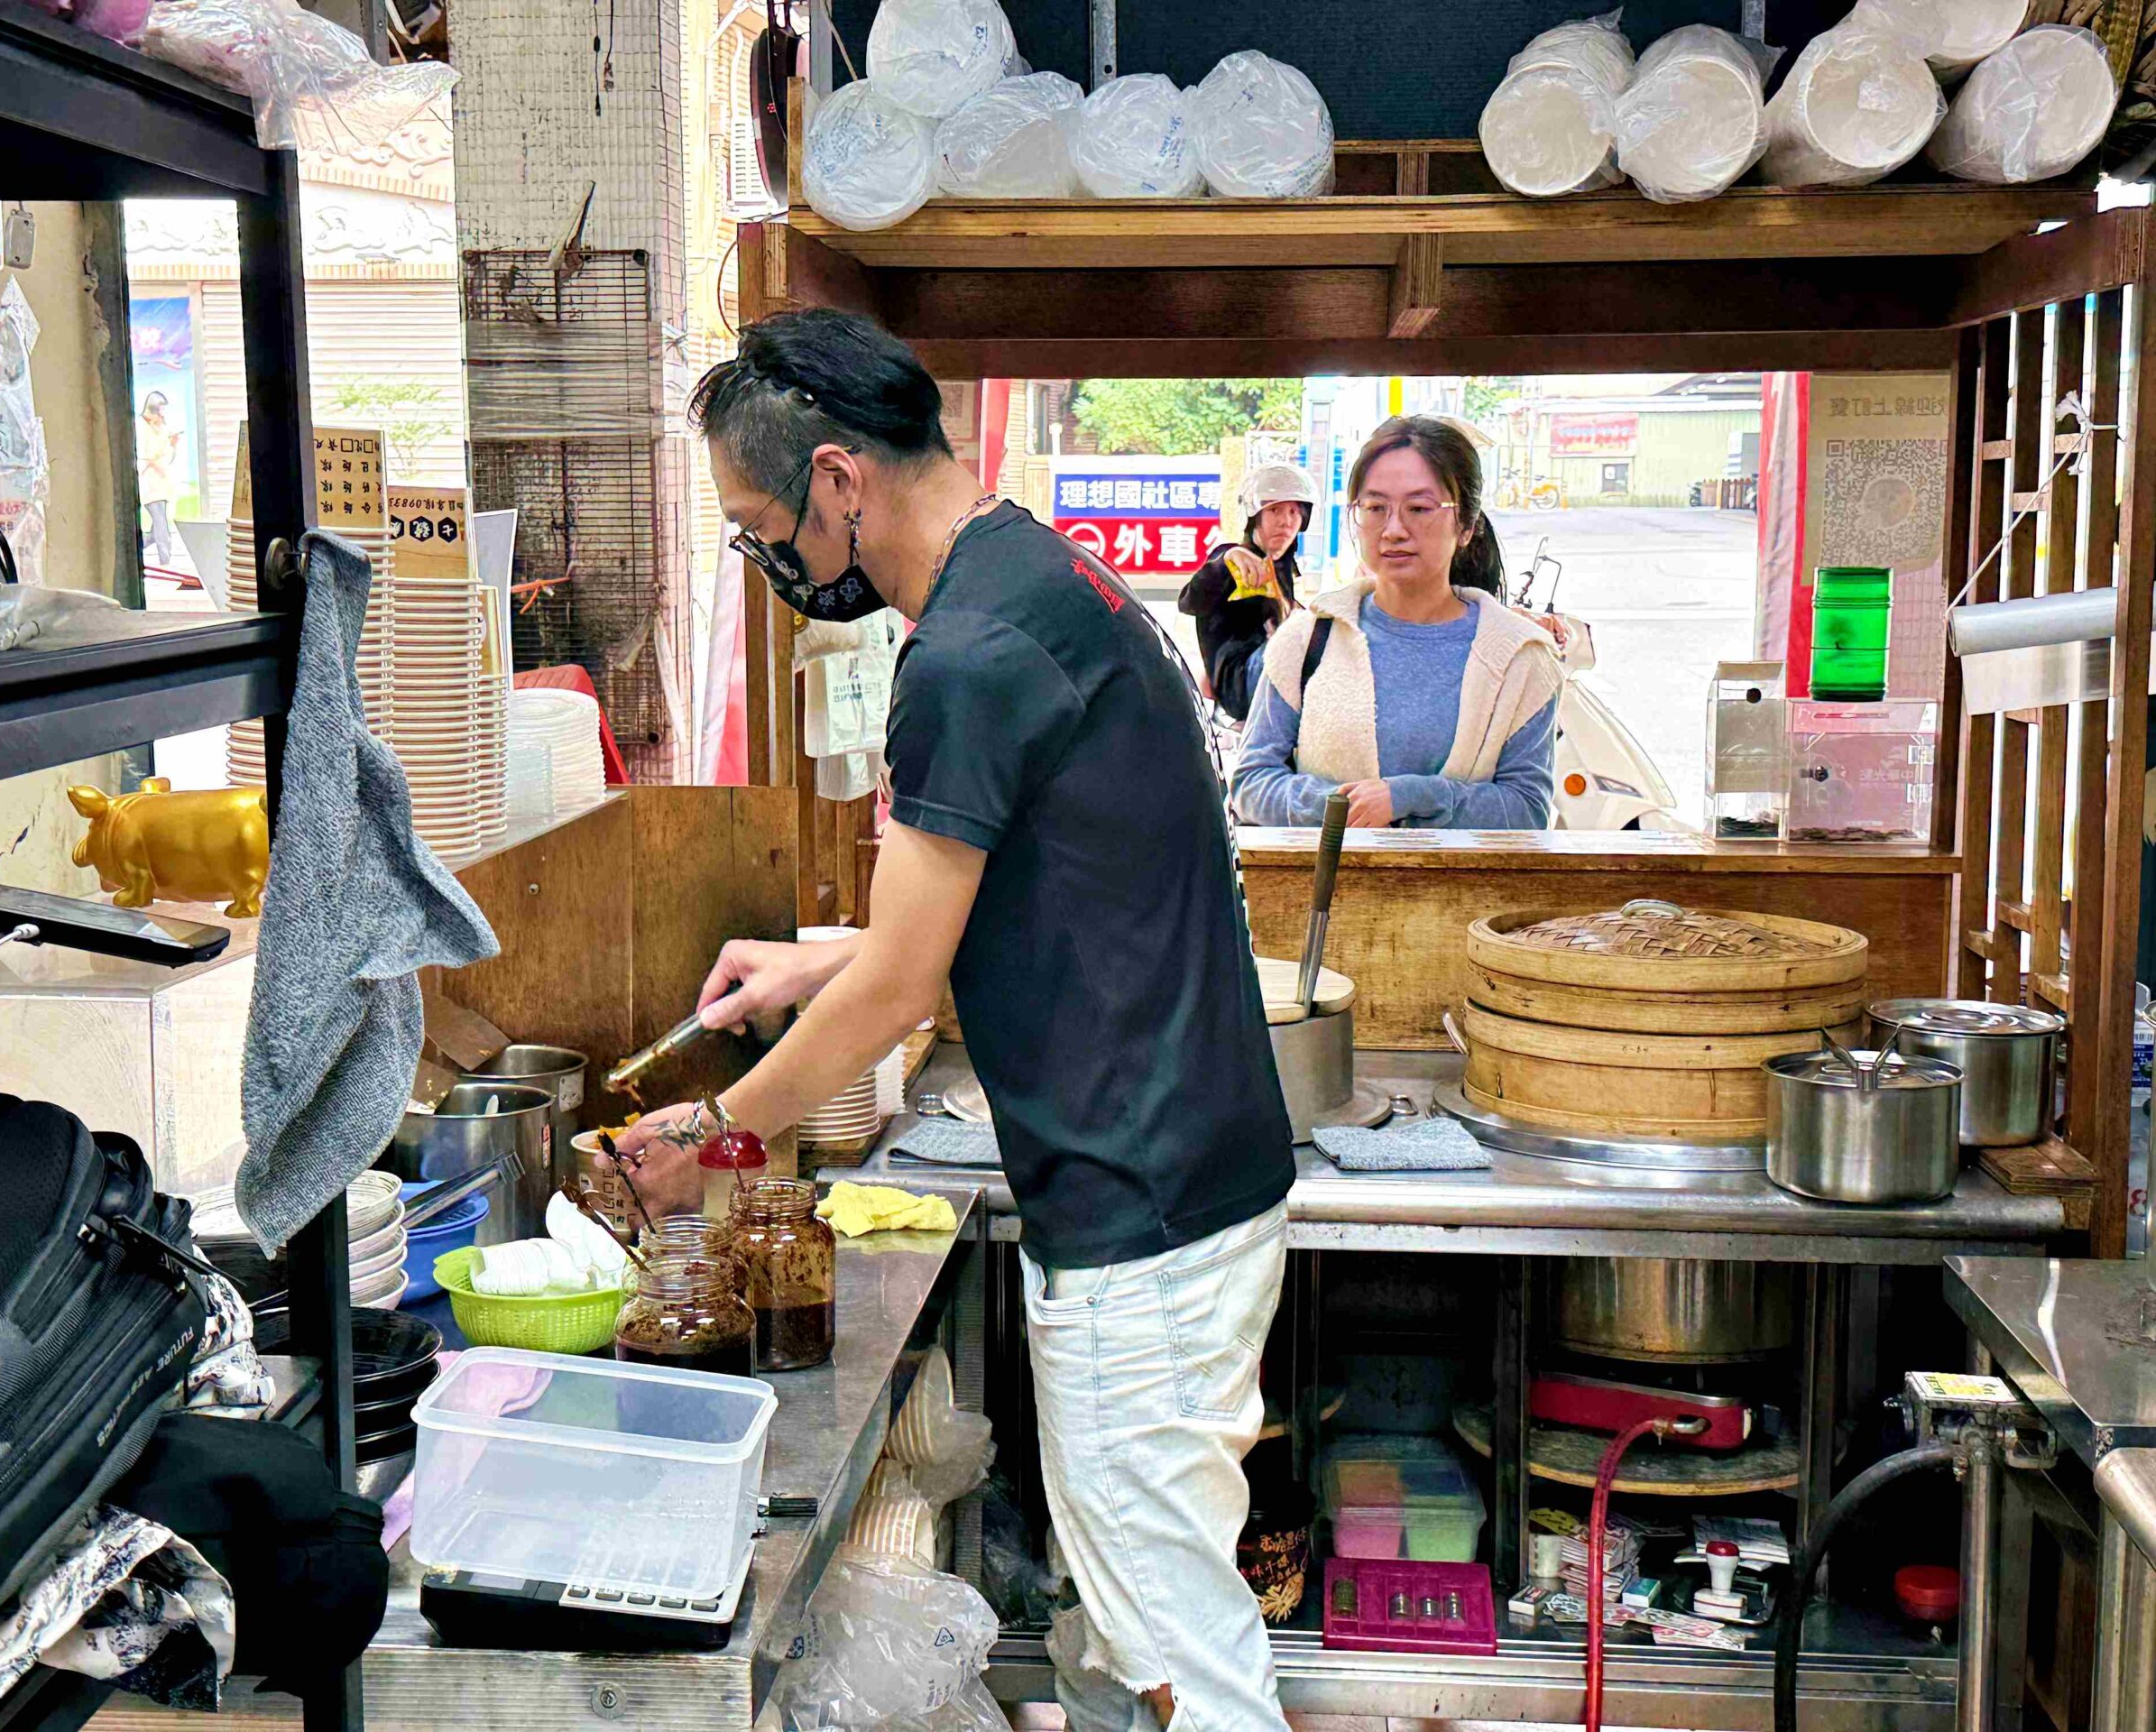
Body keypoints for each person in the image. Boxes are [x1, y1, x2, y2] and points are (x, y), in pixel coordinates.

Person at [610, 308, 1297, 1732]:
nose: (766, 561)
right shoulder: (1038, 572)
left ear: (839, 481)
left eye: (760, 529)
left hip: (1139, 1219)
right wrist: (810, 967)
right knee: (1124, 1640)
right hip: (1181, 1183)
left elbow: (904, 988)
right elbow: (1017, 888)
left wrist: (713, 1133)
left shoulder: (967, 656)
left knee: (1182, 1661)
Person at [1232, 416, 1562, 830]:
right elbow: (1251, 783)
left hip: (1464, 878)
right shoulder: (1307, 638)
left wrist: (1410, 799)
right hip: (1328, 876)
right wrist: (1341, 807)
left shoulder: (1521, 657)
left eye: (1419, 509)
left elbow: (1527, 809)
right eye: (1375, 508)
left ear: (1466, 526)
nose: (1393, 530)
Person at [1175, 462, 1316, 722]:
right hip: (1240, 682)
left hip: (1272, 678)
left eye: (1294, 512)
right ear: (1254, 516)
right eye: (1274, 510)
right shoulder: (1233, 559)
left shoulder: (1281, 571)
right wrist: (1226, 561)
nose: (1286, 522)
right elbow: (1189, 601)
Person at [136, 392, 180, 567]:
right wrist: (157, 461)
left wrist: (172, 445)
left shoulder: (162, 428)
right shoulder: (140, 427)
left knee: (157, 530)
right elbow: (146, 457)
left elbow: (167, 458)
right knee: (161, 525)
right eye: (159, 412)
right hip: (148, 485)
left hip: (161, 486)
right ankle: (166, 562)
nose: (162, 416)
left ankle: (136, 547)